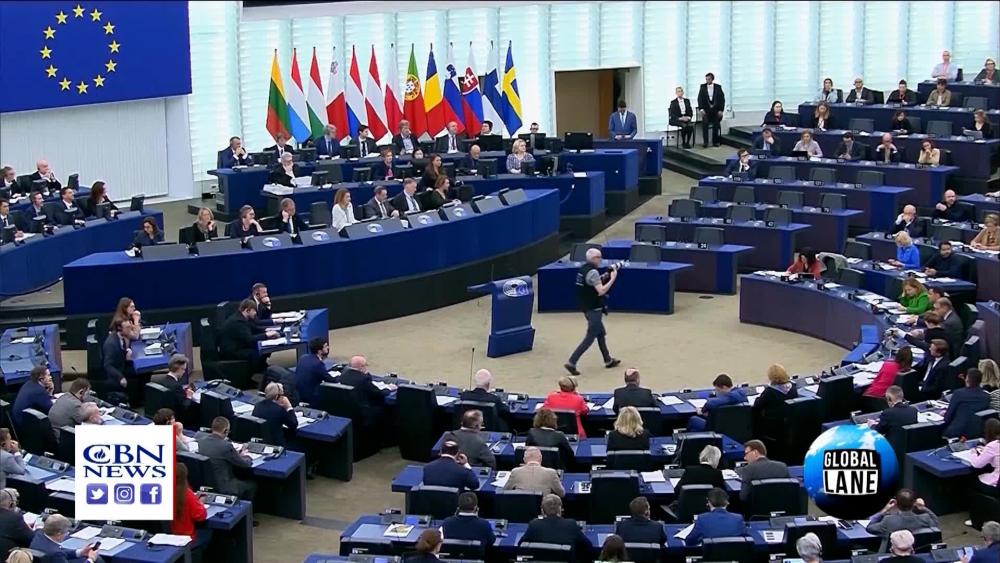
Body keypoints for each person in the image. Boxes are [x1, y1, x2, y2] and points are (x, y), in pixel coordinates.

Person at [565, 248, 620, 375]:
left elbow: (591, 283)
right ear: (594, 258)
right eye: (599, 257)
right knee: (590, 337)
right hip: (594, 308)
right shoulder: (593, 272)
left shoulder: (583, 270)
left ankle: (608, 360)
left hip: (585, 306)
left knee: (600, 333)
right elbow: (601, 291)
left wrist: (604, 276)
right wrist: (613, 278)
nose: (601, 260)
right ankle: (572, 362)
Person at [196, 417, 257, 500]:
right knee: (252, 485)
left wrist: (235, 454)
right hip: (225, 486)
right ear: (225, 431)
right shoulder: (226, 446)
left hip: (208, 484)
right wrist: (247, 456)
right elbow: (245, 464)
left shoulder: (202, 441)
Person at [518, 494, 590, 558]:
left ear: (542, 511)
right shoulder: (571, 524)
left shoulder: (534, 524)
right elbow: (588, 547)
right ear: (560, 509)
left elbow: (521, 546)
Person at [219, 299, 278, 373]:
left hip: (239, 345)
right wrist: (266, 335)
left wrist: (266, 330)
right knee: (255, 352)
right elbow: (250, 339)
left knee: (264, 345)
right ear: (247, 310)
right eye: (254, 311)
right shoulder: (238, 322)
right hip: (231, 351)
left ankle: (262, 366)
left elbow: (254, 329)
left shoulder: (242, 317)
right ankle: (258, 370)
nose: (255, 313)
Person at [866, 489, 939, 543]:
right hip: (917, 550)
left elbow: (869, 527)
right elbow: (935, 522)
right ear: (914, 503)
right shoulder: (924, 519)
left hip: (892, 552)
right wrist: (923, 508)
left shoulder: (888, 521)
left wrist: (884, 511)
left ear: (896, 503)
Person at [751, 364, 798, 447]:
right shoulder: (793, 388)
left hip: (772, 427)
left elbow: (757, 405)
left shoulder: (769, 392)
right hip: (789, 425)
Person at [171, 462, 211, 556]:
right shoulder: (186, 494)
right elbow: (201, 516)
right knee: (209, 532)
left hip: (166, 538)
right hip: (186, 539)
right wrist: (200, 502)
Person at [338, 355, 391, 424]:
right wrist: (389, 388)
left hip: (347, 411)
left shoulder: (343, 375)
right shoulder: (363, 379)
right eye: (365, 365)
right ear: (361, 367)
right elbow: (379, 393)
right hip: (363, 413)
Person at [942, 369, 991, 438]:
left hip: (956, 432)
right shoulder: (986, 396)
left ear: (967, 379)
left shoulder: (958, 393)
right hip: (976, 433)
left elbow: (947, 417)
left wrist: (944, 415)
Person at [29, 514, 98, 562]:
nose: (67, 534)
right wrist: (91, 560)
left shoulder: (39, 534)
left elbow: (60, 550)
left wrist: (80, 552)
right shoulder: (56, 555)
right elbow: (58, 553)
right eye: (66, 532)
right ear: (59, 534)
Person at [252, 382, 298, 446]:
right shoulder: (279, 410)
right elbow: (294, 424)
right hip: (277, 445)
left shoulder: (257, 406)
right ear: (277, 396)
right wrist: (289, 407)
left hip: (259, 443)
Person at [293, 338, 334, 405]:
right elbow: (330, 380)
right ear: (319, 351)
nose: (328, 348)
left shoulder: (303, 358)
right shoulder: (318, 364)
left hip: (299, 395)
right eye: (325, 346)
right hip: (311, 398)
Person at [968, 419, 999, 494]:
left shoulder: (993, 445)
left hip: (996, 485)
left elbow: (977, 464)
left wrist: (973, 453)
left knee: (967, 479)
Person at [0, 488, 33, 554]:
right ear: (11, 504)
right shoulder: (14, 518)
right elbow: (31, 539)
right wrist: (37, 528)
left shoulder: (13, 518)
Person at [697, 73, 725, 147]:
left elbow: (722, 99)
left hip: (716, 110)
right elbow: (699, 99)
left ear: (712, 79)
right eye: (706, 79)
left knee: (716, 124)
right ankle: (705, 142)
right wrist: (701, 109)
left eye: (709, 79)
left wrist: (721, 110)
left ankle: (715, 141)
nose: (707, 81)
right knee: (705, 123)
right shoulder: (702, 87)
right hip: (706, 111)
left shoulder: (718, 87)